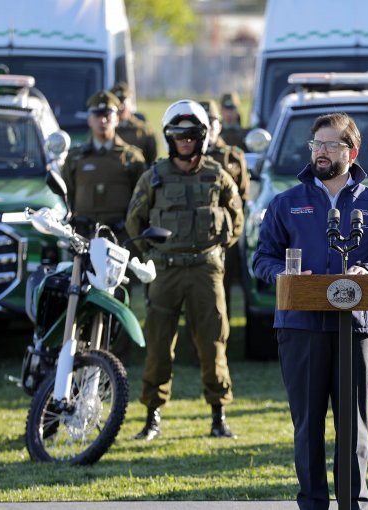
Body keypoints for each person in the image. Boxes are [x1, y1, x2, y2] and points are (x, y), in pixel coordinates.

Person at [252, 112, 368, 510]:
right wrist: (285, 276)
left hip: (357, 331)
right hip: (300, 328)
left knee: (352, 424)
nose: (320, 152)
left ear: (351, 151)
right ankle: (312, 502)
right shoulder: (287, 203)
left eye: (330, 145)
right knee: (307, 425)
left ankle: (352, 502)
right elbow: (262, 259)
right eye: (316, 145)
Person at [126, 99, 244, 440]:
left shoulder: (216, 175)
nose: (185, 140)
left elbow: (235, 218)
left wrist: (216, 251)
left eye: (191, 134)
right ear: (168, 137)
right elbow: (135, 222)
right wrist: (154, 255)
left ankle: (218, 417)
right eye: (178, 134)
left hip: (207, 270)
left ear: (203, 136)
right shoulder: (154, 177)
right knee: (159, 344)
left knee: (213, 344)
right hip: (166, 271)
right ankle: (152, 417)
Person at [61, 90, 146, 235]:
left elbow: (142, 199)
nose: (103, 121)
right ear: (89, 119)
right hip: (85, 237)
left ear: (117, 119)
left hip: (121, 236)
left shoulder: (132, 157)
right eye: (97, 115)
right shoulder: (75, 158)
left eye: (107, 115)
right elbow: (67, 195)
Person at [200, 99, 250, 318]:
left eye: (213, 122)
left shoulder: (233, 156)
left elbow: (243, 197)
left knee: (223, 289)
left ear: (219, 124)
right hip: (195, 235)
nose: (209, 128)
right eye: (204, 123)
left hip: (223, 235)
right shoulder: (187, 156)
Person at [110, 81, 158, 163]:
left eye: (123, 102)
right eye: (116, 103)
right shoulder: (103, 129)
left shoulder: (144, 132)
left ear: (130, 103)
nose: (120, 107)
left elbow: (151, 161)